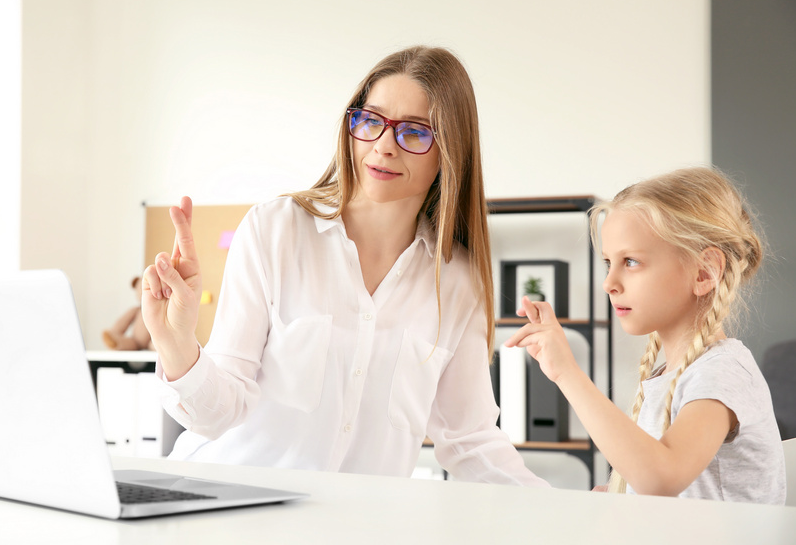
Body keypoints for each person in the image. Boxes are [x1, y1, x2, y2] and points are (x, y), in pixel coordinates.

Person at [141, 46, 548, 486]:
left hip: (349, 526)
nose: (384, 146)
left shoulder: (458, 281)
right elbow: (217, 415)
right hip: (222, 506)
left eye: (415, 132)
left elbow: (470, 439)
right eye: (371, 121)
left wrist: (564, 513)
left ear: (450, 152)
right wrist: (177, 344)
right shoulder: (276, 229)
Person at [505, 167, 786, 503]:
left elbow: (661, 477)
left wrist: (567, 373)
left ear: (704, 272)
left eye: (632, 261)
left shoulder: (723, 373)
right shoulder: (671, 374)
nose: (609, 282)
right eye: (609, 262)